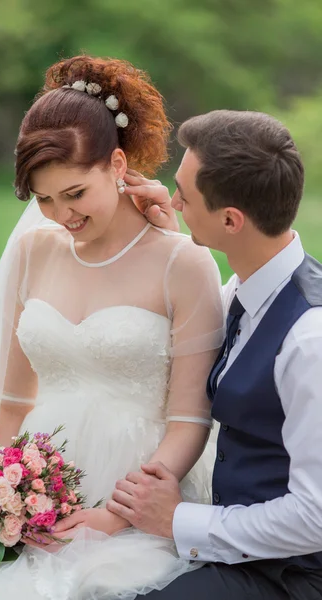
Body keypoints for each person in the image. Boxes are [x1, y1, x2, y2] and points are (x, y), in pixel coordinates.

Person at [0, 56, 224, 599]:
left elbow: (188, 422)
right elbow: (13, 404)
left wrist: (114, 516)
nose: (62, 215)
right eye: (44, 200)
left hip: (134, 487)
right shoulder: (35, 251)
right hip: (35, 486)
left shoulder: (183, 263)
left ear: (115, 163)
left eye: (75, 193)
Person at [108, 110, 322, 599]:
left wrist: (181, 520)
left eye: (183, 194)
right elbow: (203, 310)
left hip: (291, 576)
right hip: (239, 552)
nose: (172, 199)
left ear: (231, 220)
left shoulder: (310, 342)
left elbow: (316, 516)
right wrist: (172, 241)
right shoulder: (247, 290)